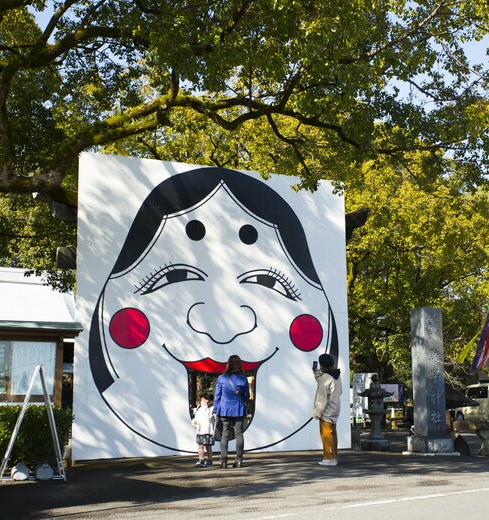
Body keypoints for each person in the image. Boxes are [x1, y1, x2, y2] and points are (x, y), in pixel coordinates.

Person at [86, 166, 340, 453]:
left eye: (268, 280)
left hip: (225, 413)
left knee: (220, 436)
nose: (224, 329)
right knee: (235, 435)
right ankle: (241, 458)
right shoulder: (328, 380)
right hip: (240, 413)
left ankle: (217, 459)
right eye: (174, 276)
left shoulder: (224, 381)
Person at [213, 354, 250, 468]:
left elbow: (217, 396)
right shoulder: (243, 379)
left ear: (228, 364)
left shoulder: (222, 378)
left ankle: (223, 461)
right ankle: (239, 460)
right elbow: (247, 396)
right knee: (239, 434)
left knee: (225, 435)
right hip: (238, 410)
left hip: (224, 410)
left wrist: (216, 409)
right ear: (240, 365)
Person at [313, 353, 342, 466]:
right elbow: (339, 391)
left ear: (322, 365)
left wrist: (317, 413)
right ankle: (334, 457)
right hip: (335, 407)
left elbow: (322, 399)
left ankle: (327, 458)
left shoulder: (325, 377)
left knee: (326, 435)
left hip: (326, 410)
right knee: (333, 434)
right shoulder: (337, 376)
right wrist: (316, 374)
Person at [192, 393, 215, 467]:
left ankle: (210, 460)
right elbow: (196, 418)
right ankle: (201, 459)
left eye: (205, 400)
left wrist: (213, 416)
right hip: (200, 430)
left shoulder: (212, 409)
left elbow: (213, 418)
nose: (203, 402)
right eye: (202, 400)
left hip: (208, 431)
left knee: (208, 446)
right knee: (200, 446)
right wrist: (194, 422)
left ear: (210, 401)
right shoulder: (199, 409)